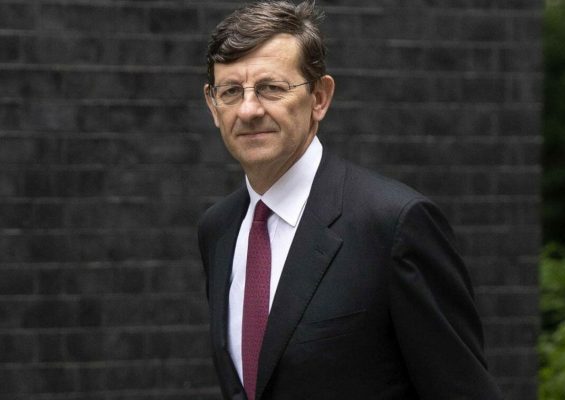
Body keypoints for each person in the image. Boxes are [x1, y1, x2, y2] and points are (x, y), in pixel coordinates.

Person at [197, 1, 503, 399]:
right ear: (213, 105)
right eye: (232, 92)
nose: (250, 109)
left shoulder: (394, 225)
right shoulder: (218, 229)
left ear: (320, 98)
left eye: (271, 88)